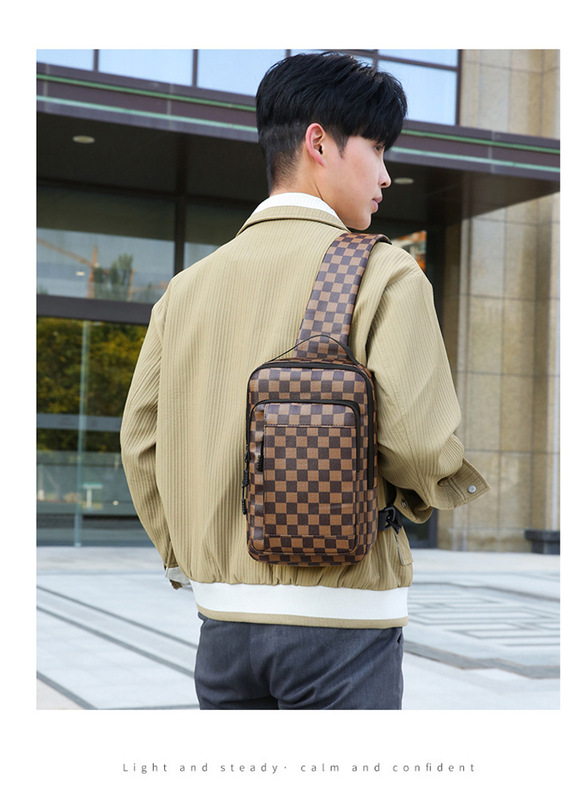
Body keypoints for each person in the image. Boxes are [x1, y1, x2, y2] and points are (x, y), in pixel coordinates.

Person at [120, 51, 489, 710]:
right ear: (319, 142)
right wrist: (424, 494)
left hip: (223, 625)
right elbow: (420, 446)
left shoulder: (185, 289)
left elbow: (141, 445)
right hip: (344, 623)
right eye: (378, 148)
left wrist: (190, 559)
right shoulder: (385, 273)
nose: (387, 174)